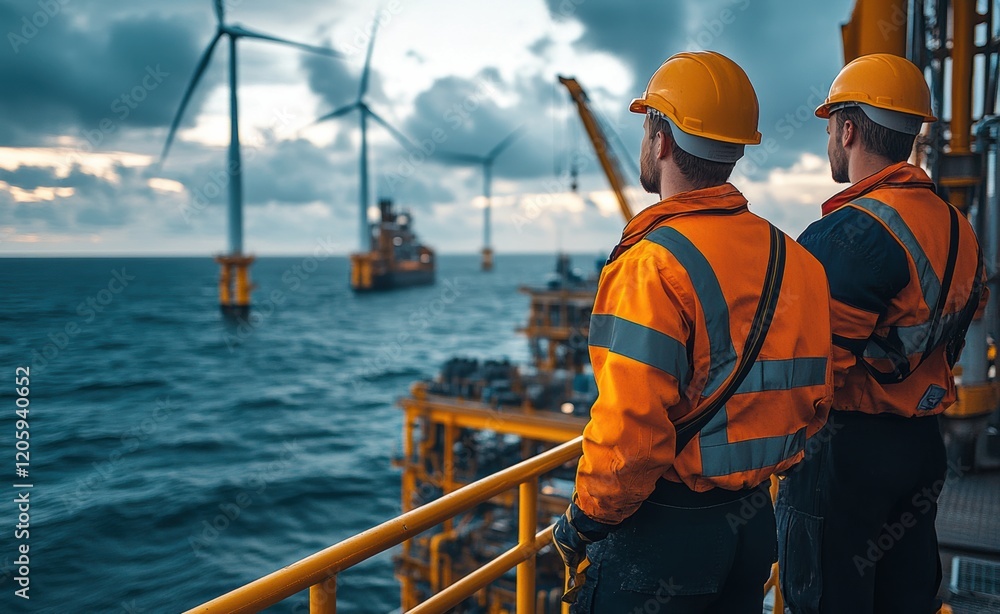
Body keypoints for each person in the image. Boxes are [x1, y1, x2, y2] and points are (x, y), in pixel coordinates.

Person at [551, 50, 834, 613]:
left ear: (660, 141)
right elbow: (814, 400)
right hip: (754, 526)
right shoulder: (797, 260)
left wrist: (583, 520)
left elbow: (630, 438)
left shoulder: (652, 264)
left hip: (663, 539)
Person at [776, 53, 987, 614]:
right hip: (920, 445)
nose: (828, 141)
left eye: (828, 127)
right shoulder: (957, 228)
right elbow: (958, 325)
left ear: (847, 130)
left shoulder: (846, 233)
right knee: (905, 596)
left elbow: (809, 377)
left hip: (846, 455)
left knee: (828, 598)